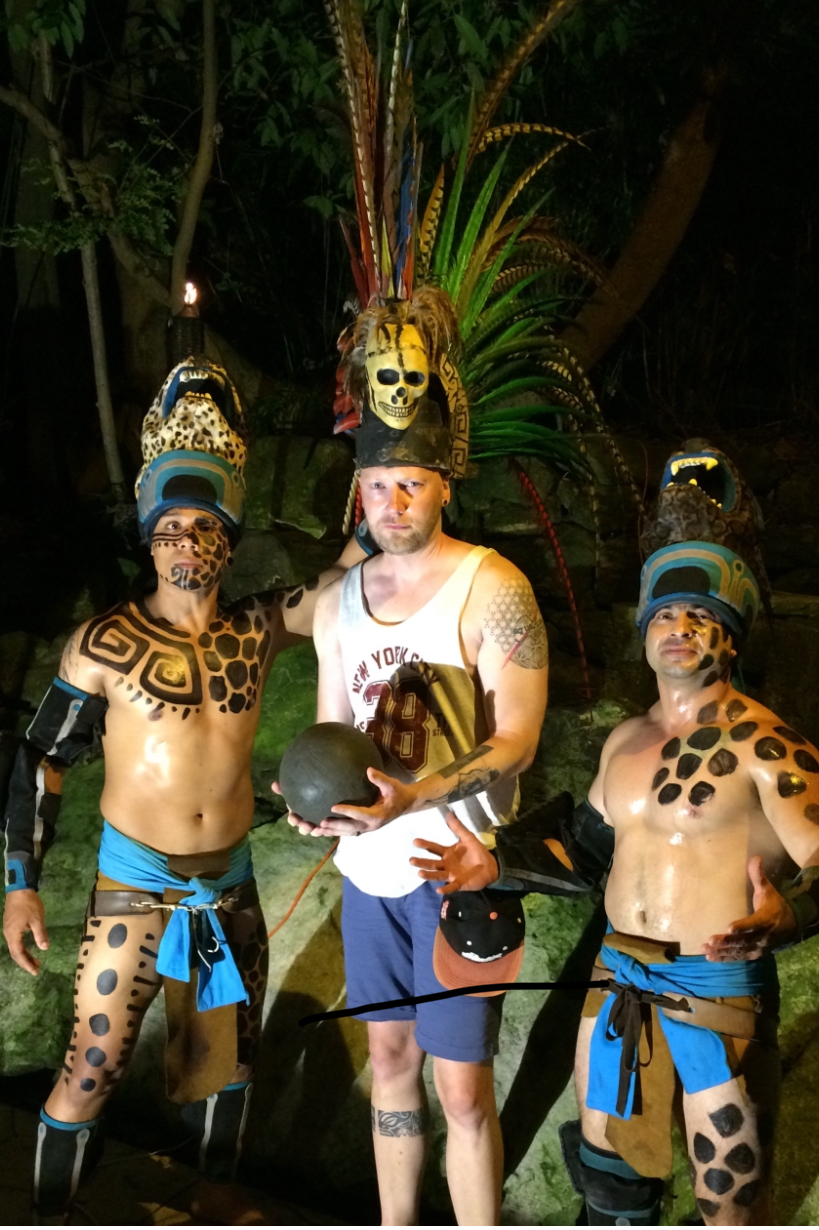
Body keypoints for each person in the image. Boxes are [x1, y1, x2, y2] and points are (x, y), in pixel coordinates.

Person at [2, 357, 366, 1225]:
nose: (188, 542)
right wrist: (19, 884)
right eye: (171, 527)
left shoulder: (256, 628)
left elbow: (343, 583)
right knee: (91, 1067)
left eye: (205, 526)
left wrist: (380, 467)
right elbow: (42, 758)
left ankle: (213, 1201)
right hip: (134, 887)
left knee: (224, 1062)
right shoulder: (104, 644)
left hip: (227, 886)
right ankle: (47, 1216)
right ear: (148, 534)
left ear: (230, 537)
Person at [411, 539, 819, 1228]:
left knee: (731, 1198)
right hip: (618, 978)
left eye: (700, 615)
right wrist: (498, 865)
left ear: (730, 637)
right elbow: (585, 852)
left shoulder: (766, 747)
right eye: (664, 615)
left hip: (716, 987)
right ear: (644, 633)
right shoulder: (625, 742)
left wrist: (789, 918)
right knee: (609, 1180)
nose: (679, 627)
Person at [281, 414, 548, 1226]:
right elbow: (332, 730)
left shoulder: (492, 586)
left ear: (443, 486)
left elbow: (517, 740)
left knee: (461, 1088)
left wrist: (414, 796)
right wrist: (317, 808)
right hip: (370, 876)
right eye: (375, 485)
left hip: (459, 870)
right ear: (357, 492)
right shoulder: (338, 603)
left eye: (409, 483)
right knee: (389, 1060)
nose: (391, 503)